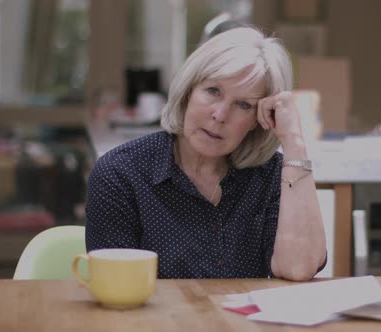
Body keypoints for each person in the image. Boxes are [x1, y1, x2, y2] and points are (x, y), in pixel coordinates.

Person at [85, 27, 327, 281]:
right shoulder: (119, 173)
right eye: (213, 91)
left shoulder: (271, 175)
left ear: (259, 119)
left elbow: (298, 268)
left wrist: (294, 141)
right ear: (189, 90)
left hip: (243, 322)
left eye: (243, 105)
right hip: (152, 321)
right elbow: (114, 286)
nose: (220, 115)